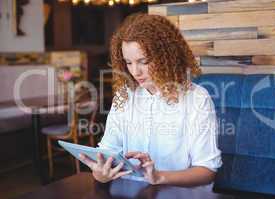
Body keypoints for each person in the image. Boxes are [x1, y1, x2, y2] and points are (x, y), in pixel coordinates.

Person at [80, 13, 222, 186]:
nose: (135, 71)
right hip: (130, 191)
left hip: (179, 194)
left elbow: (207, 170)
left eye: (144, 61)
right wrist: (101, 174)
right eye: (128, 62)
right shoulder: (125, 95)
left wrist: (159, 177)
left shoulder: (197, 98)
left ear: (167, 57)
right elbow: (107, 151)